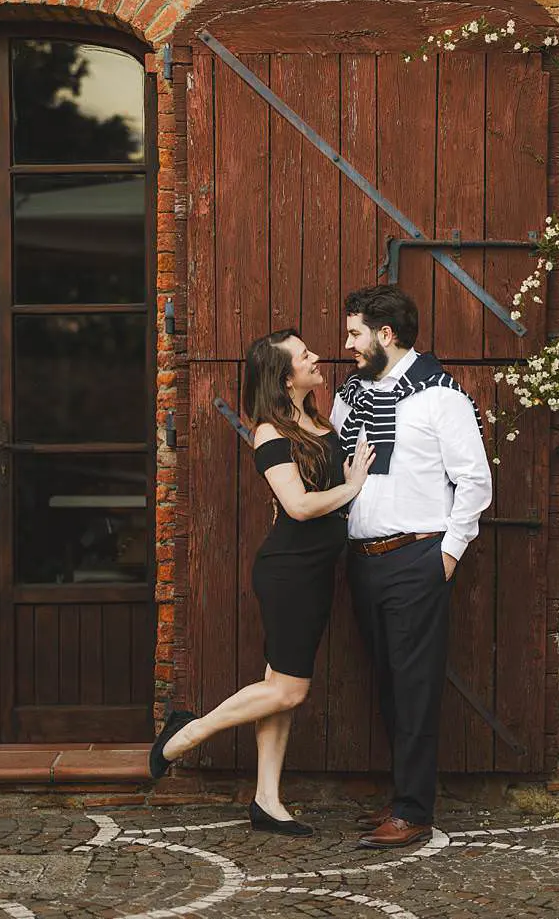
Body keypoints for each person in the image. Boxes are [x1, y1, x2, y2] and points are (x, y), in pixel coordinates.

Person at [148, 328, 375, 836]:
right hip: (289, 574)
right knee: (290, 693)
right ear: (284, 374)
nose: (317, 357)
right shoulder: (270, 433)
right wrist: (352, 486)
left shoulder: (318, 419)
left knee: (277, 687)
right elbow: (296, 506)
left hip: (315, 574)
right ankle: (185, 734)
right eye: (305, 355)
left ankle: (267, 800)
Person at [333, 285, 492, 849]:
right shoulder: (351, 396)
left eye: (354, 333)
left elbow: (476, 481)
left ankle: (414, 811)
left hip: (417, 558)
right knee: (387, 684)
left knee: (416, 686)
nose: (346, 343)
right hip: (363, 560)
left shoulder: (439, 397)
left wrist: (447, 554)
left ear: (385, 334)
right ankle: (402, 794)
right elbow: (341, 470)